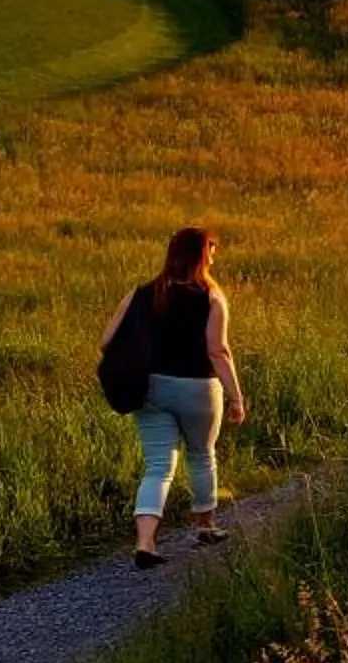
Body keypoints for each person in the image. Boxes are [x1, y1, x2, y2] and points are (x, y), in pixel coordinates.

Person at [100, 225, 245, 569]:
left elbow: (106, 341)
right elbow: (218, 351)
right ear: (200, 256)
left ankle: (145, 542)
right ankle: (206, 526)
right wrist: (236, 397)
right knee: (202, 455)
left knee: (158, 466)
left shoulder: (142, 293)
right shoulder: (211, 296)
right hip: (199, 389)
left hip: (151, 388)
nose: (214, 258)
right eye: (211, 252)